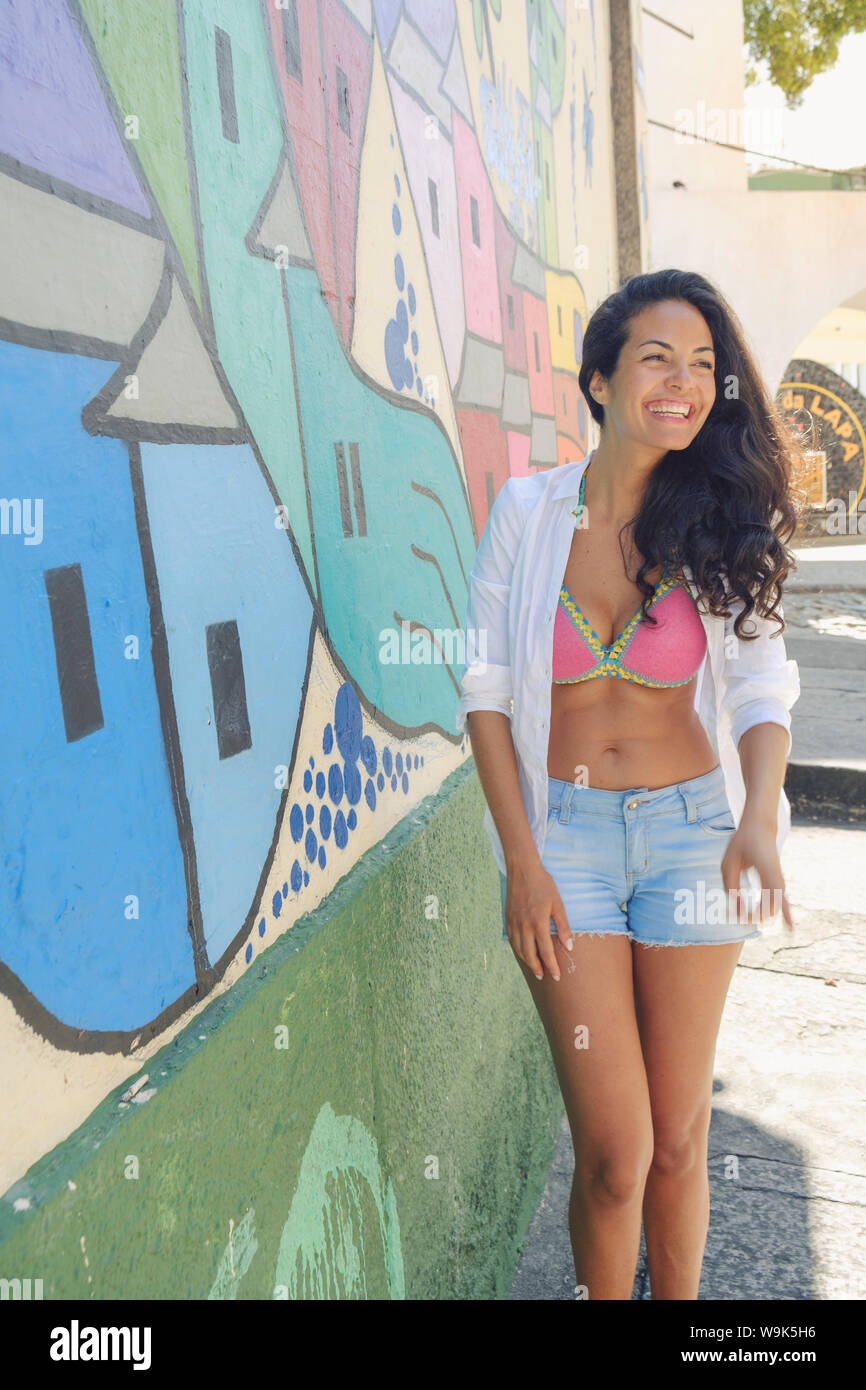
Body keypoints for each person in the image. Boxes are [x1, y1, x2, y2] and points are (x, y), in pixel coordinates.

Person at [456, 268, 805, 1300]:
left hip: (693, 836)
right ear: (600, 380)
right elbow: (482, 689)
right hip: (560, 841)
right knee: (613, 1153)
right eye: (657, 357)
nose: (683, 381)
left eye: (702, 365)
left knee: (677, 1138)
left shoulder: (717, 524)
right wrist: (521, 860)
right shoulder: (526, 515)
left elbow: (759, 683)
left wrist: (756, 821)